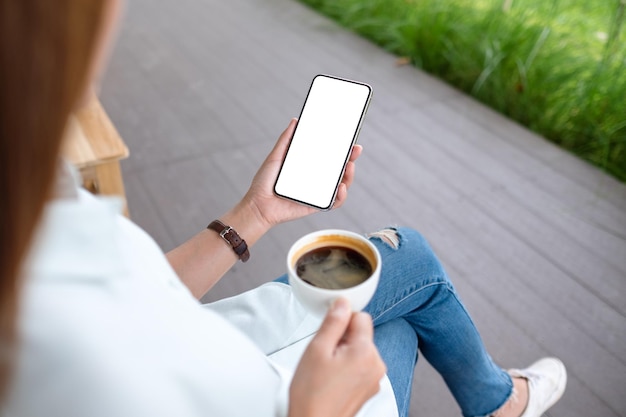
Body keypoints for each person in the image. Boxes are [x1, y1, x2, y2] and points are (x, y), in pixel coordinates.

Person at [0, 1, 567, 416]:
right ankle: (502, 402)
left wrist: (254, 213)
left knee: (403, 263)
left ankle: (498, 401)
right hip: (276, 399)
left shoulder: (34, 187)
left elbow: (133, 298)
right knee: (402, 315)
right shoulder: (54, 365)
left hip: (218, 351)